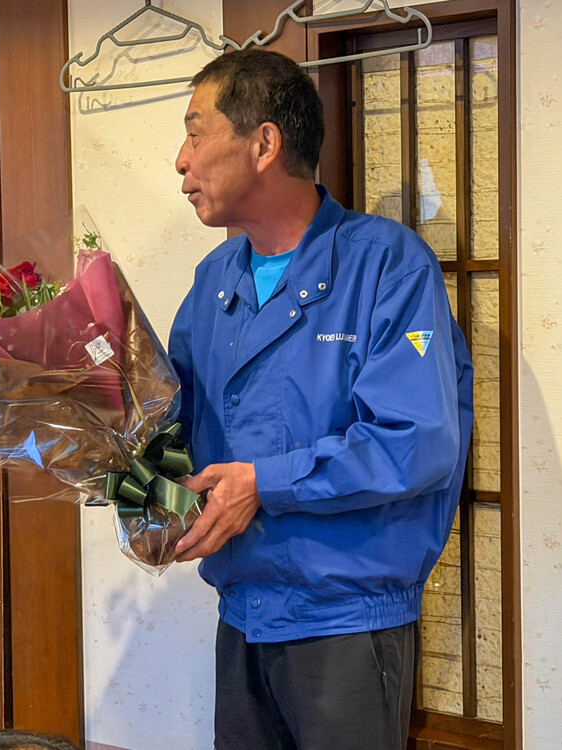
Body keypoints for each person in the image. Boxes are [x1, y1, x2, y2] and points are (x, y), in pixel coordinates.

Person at [169, 49, 474, 750]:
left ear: (264, 144)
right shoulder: (215, 277)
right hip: (241, 612)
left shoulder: (386, 264)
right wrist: (96, 446)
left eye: (195, 133)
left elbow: (415, 441)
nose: (181, 161)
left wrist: (262, 484)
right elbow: (171, 419)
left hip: (346, 622)